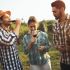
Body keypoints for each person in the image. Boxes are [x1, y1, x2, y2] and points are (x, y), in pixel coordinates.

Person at [51, 0, 70, 70]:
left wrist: (67, 48)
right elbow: (54, 41)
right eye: (52, 12)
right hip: (63, 62)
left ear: (62, 9)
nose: (53, 14)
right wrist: (58, 47)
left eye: (54, 11)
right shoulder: (55, 25)